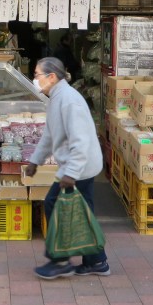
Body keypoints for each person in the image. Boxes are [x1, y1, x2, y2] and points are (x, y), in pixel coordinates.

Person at [26, 57, 109, 279]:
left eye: (37, 75)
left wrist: (71, 173)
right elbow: (50, 134)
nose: (35, 79)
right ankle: (97, 261)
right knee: (83, 211)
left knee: (55, 204)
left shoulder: (69, 100)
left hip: (79, 165)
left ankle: (60, 260)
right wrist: (36, 160)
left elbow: (80, 141)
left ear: (51, 77)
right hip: (80, 164)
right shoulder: (56, 97)